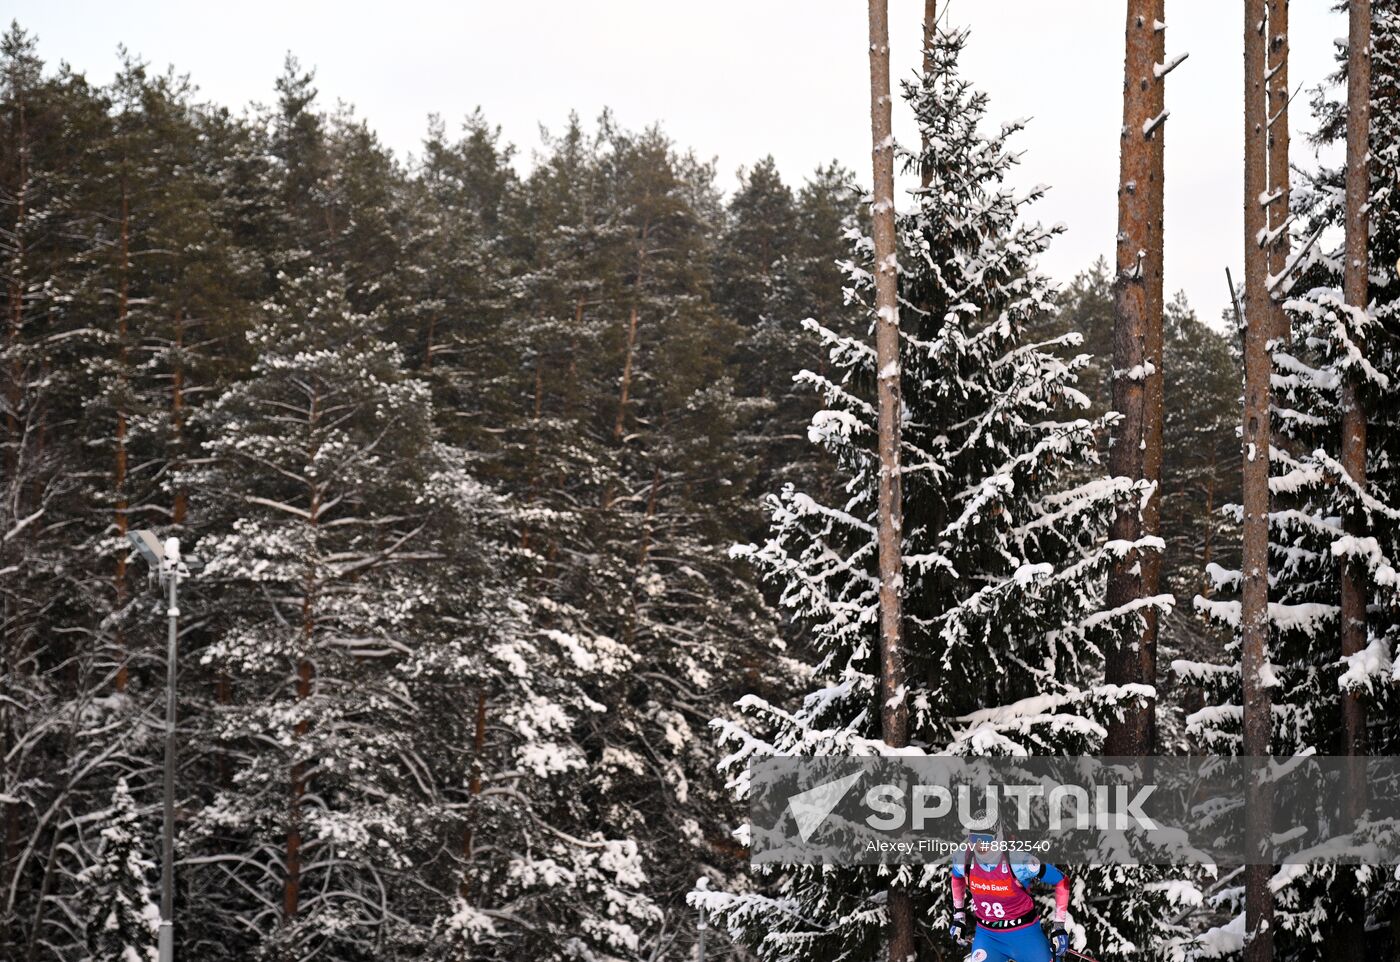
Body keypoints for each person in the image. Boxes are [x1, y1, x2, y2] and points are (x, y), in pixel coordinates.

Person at [948, 829, 1070, 962]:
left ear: (997, 837)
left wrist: (1059, 926)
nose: (979, 845)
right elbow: (956, 877)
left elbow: (1061, 880)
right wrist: (958, 916)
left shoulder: (1018, 861)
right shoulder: (964, 859)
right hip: (988, 937)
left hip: (1025, 935)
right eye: (974, 838)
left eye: (985, 839)